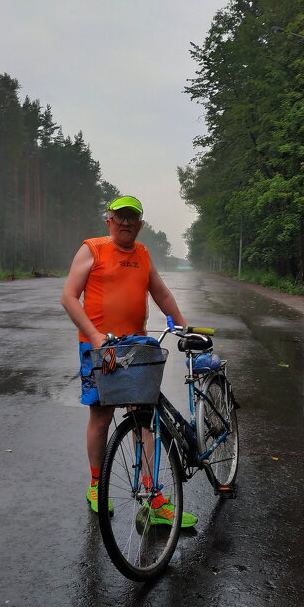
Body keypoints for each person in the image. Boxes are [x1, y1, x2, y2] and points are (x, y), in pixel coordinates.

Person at [61, 194, 197, 527]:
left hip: (135, 348)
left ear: (140, 224)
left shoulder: (143, 254)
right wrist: (95, 337)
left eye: (131, 217)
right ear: (108, 220)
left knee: (144, 421)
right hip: (100, 349)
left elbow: (161, 293)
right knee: (102, 416)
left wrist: (182, 327)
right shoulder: (92, 249)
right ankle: (96, 485)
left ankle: (153, 498)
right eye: (119, 216)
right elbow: (68, 297)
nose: (125, 222)